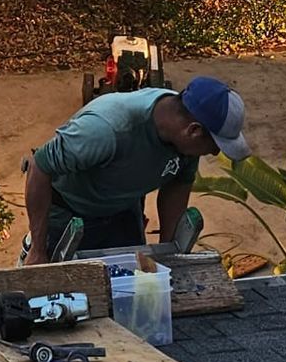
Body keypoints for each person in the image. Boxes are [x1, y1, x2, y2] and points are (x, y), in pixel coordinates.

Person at [22, 76, 250, 264]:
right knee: (61, 295)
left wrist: (167, 252)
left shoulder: (185, 138)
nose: (212, 153)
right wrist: (39, 250)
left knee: (132, 286)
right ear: (193, 130)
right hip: (69, 213)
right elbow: (39, 167)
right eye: (214, 146)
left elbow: (177, 185)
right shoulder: (106, 130)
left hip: (122, 211)